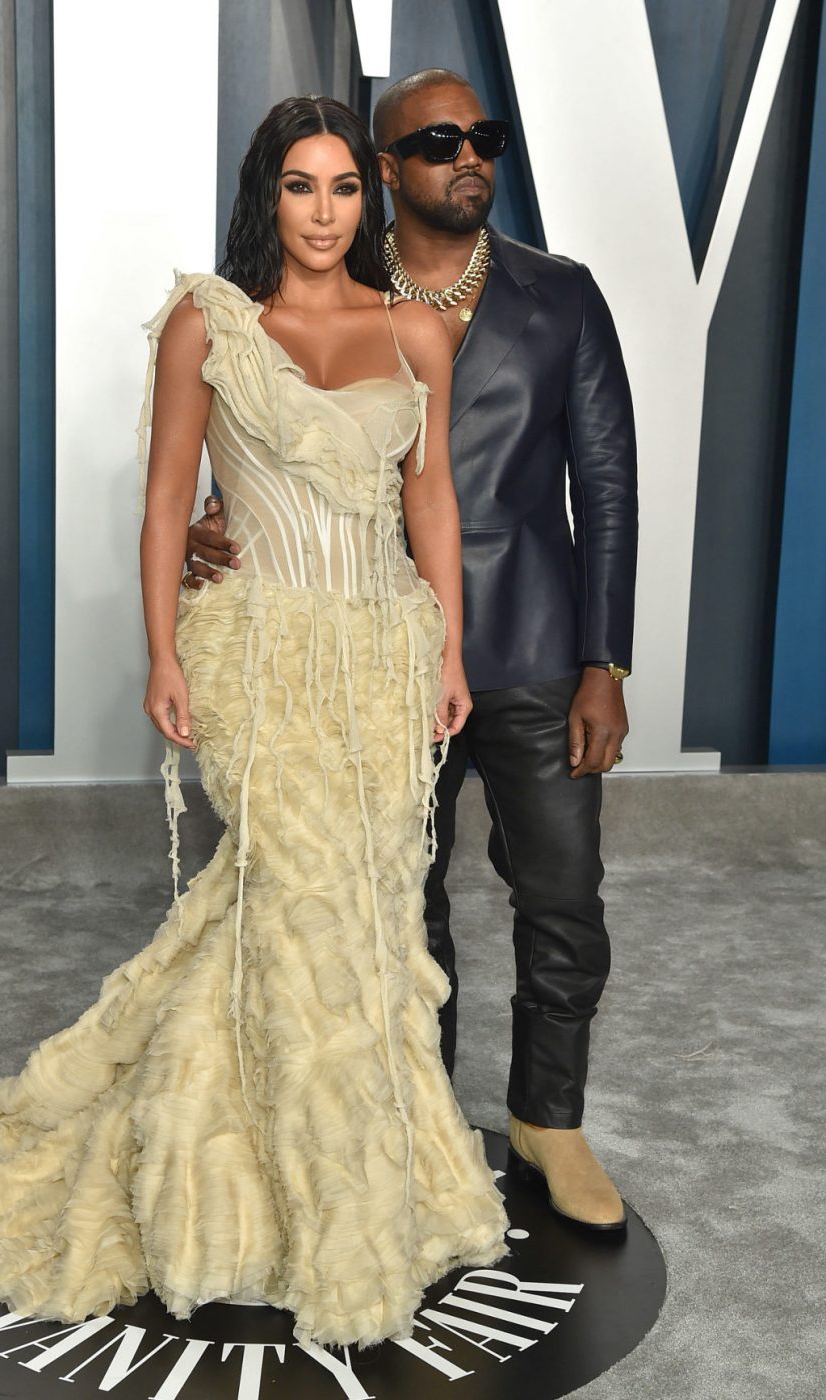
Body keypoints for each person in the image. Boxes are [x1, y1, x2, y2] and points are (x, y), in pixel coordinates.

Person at [0, 96, 509, 1351]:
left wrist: (450, 645)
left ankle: (296, 1171)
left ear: (368, 197)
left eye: (342, 187)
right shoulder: (212, 322)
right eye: (299, 186)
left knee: (359, 916)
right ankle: (297, 1213)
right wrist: (163, 652)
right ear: (265, 196)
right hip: (259, 653)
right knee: (299, 899)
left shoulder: (418, 330)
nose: (323, 212)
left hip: (382, 656)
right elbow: (167, 495)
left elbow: (434, 500)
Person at [185, 70, 638, 1232]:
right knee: (393, 899)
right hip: (376, 648)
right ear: (387, 169)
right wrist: (218, 528)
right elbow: (284, 452)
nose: (466, 154)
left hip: (533, 644)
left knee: (563, 894)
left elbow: (606, 484)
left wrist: (607, 661)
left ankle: (550, 1119)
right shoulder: (336, 283)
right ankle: (415, 1117)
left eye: (482, 135)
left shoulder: (560, 294)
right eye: (438, 140)